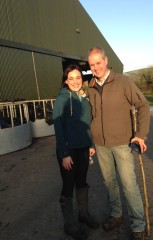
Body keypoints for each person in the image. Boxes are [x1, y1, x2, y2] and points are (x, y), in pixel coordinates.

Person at [87, 47, 150, 240]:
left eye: (98, 63)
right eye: (92, 64)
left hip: (122, 143)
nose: (95, 67)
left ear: (106, 61)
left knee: (129, 185)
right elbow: (90, 116)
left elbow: (143, 106)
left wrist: (140, 135)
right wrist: (91, 142)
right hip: (100, 144)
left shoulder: (123, 82)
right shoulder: (90, 87)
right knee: (109, 183)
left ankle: (138, 225)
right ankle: (116, 215)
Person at [53, 64, 99, 240]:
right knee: (68, 185)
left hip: (83, 149)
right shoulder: (62, 100)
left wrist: (91, 144)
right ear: (66, 80)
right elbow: (58, 128)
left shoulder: (84, 98)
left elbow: (88, 124)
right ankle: (69, 225)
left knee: (82, 182)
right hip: (68, 151)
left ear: (82, 79)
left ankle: (83, 215)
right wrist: (64, 154)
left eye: (78, 77)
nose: (75, 81)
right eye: (71, 78)